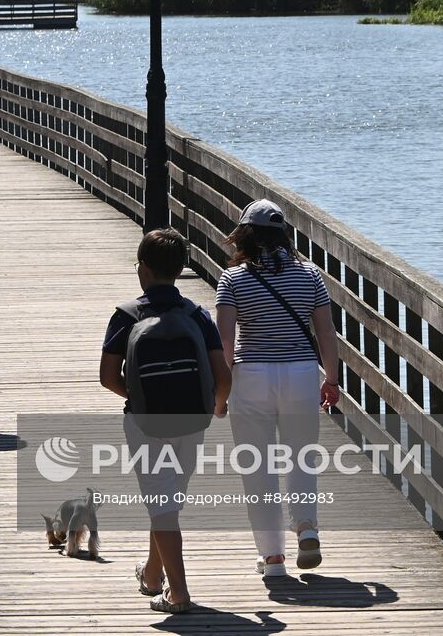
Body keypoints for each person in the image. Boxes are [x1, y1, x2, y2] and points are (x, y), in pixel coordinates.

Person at [101, 228, 229, 614]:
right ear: (181, 270)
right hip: (191, 419)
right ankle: (153, 575)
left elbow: (108, 377)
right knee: (169, 501)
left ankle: (179, 593)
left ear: (142, 269)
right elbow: (223, 375)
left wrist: (141, 398)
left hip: (144, 422)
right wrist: (215, 407)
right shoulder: (197, 315)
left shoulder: (126, 315)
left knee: (163, 503)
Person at [215, 199, 340, 578]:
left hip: (251, 374)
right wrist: (331, 379)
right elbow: (326, 334)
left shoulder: (232, 280)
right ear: (283, 235)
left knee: (259, 468)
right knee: (302, 457)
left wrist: (221, 394)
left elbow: (224, 344)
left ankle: (273, 560)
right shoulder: (310, 276)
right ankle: (307, 528)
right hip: (301, 372)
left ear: (244, 237)